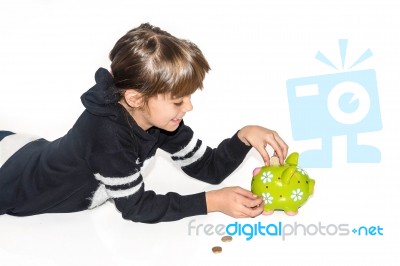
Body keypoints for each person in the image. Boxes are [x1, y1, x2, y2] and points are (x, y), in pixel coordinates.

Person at [0, 23, 288, 223]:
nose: (189, 107)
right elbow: (136, 207)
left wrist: (243, 137)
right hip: (11, 180)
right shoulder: (107, 137)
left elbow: (209, 168)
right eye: (178, 100)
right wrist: (212, 202)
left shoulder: (160, 121)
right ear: (136, 98)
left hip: (31, 152)